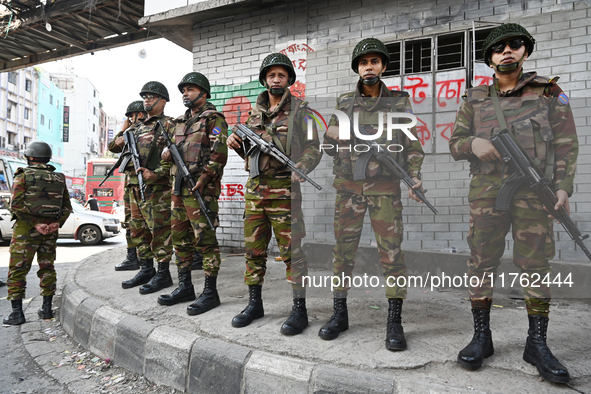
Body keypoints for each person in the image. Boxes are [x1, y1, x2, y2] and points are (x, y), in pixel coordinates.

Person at [449, 23, 577, 384]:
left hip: (536, 195)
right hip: (487, 193)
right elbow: (455, 142)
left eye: (515, 45)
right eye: (499, 47)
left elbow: (567, 143)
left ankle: (537, 343)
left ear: (525, 51)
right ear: (489, 57)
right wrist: (472, 144)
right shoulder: (474, 98)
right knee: (481, 261)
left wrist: (563, 188)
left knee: (535, 263)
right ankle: (481, 337)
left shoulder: (549, 93)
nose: (507, 50)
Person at [320, 38, 425, 350]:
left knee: (392, 256)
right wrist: (330, 135)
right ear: (358, 68)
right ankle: (339, 314)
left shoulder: (399, 103)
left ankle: (394, 321)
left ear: (382, 67)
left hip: (385, 192)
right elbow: (327, 148)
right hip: (349, 190)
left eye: (375, 62)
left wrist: (415, 177)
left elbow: (413, 146)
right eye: (364, 62)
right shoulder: (343, 103)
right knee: (343, 254)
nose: (369, 66)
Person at [227, 53, 321, 335]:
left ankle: (299, 310)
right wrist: (236, 145)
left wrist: (302, 166)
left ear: (289, 79)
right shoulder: (253, 115)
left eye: (281, 75)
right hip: (255, 191)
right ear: (264, 80)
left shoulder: (301, 113)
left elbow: (314, 149)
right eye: (271, 75)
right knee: (253, 251)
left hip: (284, 193)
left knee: (292, 253)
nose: (276, 79)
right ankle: (255, 304)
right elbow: (251, 153)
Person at [157, 72, 228, 315]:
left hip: (201, 190)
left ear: (203, 92)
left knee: (205, 241)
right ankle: (185, 286)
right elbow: (172, 154)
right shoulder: (177, 122)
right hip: (178, 190)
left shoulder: (214, 119)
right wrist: (167, 154)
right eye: (183, 90)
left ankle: (210, 292)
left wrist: (206, 176)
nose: (185, 93)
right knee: (180, 240)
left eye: (190, 89)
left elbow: (219, 154)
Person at [111, 83, 175, 294]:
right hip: (134, 187)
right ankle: (146, 269)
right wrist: (123, 129)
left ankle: (163, 274)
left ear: (163, 101)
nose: (147, 99)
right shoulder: (136, 128)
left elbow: (175, 155)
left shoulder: (170, 124)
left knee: (159, 231)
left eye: (151, 96)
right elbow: (114, 147)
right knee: (138, 229)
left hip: (157, 188)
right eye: (145, 96)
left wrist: (156, 173)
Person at [3, 141, 72, 325]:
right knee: (47, 268)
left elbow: (16, 205)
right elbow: (67, 207)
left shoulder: (23, 175)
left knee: (18, 270)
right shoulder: (59, 178)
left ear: (30, 157)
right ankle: (47, 309)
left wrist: (35, 224)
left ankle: (17, 313)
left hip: (26, 231)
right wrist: (57, 223)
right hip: (50, 232)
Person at [109, 100, 146, 271]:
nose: (130, 119)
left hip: (145, 181)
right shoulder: (128, 132)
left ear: (139, 114)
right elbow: (112, 147)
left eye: (131, 115)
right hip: (130, 183)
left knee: (147, 222)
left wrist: (125, 130)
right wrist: (123, 129)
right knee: (131, 221)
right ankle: (132, 257)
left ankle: (145, 259)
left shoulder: (145, 130)